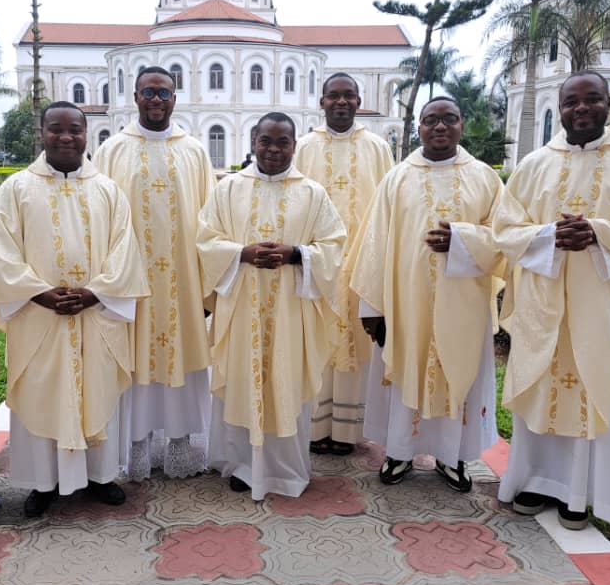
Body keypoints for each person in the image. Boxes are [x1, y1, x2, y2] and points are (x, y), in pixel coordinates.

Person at [494, 71, 610, 530]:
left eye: (591, 100)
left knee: (595, 389)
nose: (581, 109)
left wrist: (599, 233)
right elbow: (506, 229)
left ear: (608, 103)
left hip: (604, 305)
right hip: (544, 303)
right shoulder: (535, 163)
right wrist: (548, 235)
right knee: (540, 388)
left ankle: (581, 493)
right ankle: (535, 479)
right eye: (571, 101)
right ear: (559, 107)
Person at [0, 102, 149, 517]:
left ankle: (99, 477)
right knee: (45, 391)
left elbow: (124, 251)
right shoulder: (17, 189)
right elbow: (2, 253)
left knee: (95, 389)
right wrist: (39, 293)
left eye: (75, 130)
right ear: (40, 132)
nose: (65, 137)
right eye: (55, 129)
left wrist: (96, 293)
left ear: (86, 134)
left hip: (95, 314)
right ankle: (44, 483)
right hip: (39, 317)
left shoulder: (107, 190)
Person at [350, 96, 504, 492]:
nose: (439, 127)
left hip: (464, 304)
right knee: (406, 371)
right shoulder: (398, 177)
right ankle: (400, 451)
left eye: (448, 119)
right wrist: (372, 308)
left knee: (458, 374)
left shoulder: (485, 177)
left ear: (462, 124)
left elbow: (505, 238)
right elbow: (374, 243)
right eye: (430, 120)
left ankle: (452, 457)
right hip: (407, 305)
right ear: (418, 127)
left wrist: (463, 239)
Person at [199, 112, 346, 500]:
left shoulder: (313, 193)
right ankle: (244, 465)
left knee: (285, 384)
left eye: (283, 142)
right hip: (243, 306)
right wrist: (241, 253)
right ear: (253, 142)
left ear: (294, 146)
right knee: (244, 384)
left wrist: (297, 253)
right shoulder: (229, 189)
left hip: (290, 311)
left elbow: (334, 246)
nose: (274, 150)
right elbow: (205, 240)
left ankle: (284, 469)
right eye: (266, 141)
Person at [93, 66, 216, 481]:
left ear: (175, 99)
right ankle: (138, 443)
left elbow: (209, 219)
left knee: (183, 360)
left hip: (183, 281)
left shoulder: (194, 151)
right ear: (135, 96)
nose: (157, 101)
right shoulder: (113, 151)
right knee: (135, 361)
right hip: (131, 281)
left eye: (165, 94)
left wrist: (206, 289)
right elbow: (101, 217)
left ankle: (181, 444)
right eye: (149, 92)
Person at [294, 72, 393, 456]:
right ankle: (315, 427)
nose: (341, 102)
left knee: (357, 342)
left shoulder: (378, 148)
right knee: (316, 340)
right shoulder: (304, 147)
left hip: (361, 262)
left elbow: (388, 207)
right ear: (321, 102)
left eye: (348, 96)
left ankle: (349, 432)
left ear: (359, 101)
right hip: (315, 262)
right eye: (333, 96)